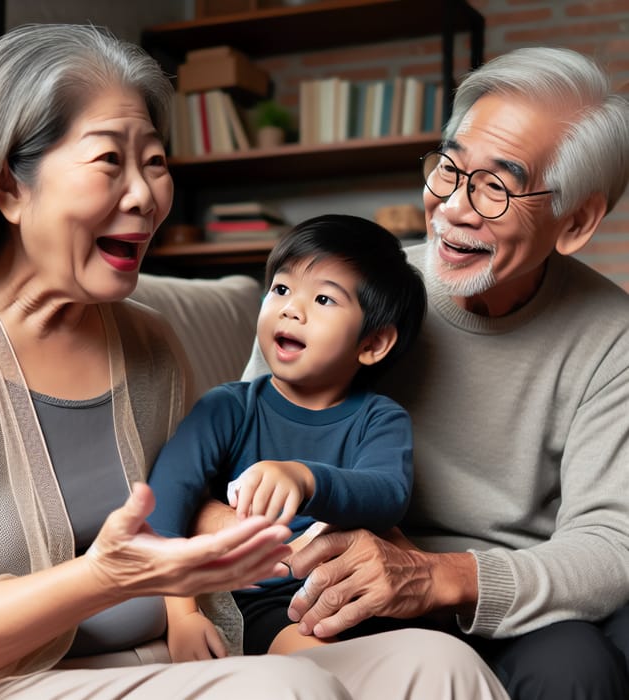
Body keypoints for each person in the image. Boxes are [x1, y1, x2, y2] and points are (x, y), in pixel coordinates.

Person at [0, 22, 510, 700]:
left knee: (444, 666)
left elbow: (198, 497)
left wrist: (234, 533)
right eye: (110, 161)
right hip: (4, 681)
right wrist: (106, 578)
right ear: (8, 184)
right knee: (284, 690)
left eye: (155, 162)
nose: (147, 196)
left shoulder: (149, 343)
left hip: (177, 651)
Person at [239, 46, 629, 699]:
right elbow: (247, 440)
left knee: (578, 665)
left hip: (509, 590)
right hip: (352, 572)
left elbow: (610, 543)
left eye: (497, 186)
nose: (454, 206)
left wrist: (441, 577)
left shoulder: (611, 334)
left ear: (578, 220)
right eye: (449, 167)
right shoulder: (350, 292)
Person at [147, 214, 426, 659]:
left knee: (434, 660)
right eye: (281, 289)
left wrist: (304, 478)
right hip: (272, 604)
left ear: (373, 343)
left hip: (364, 595)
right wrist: (182, 615)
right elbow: (162, 507)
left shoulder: (381, 419)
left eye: (322, 298)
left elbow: (388, 494)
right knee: (326, 668)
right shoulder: (227, 408)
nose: (291, 309)